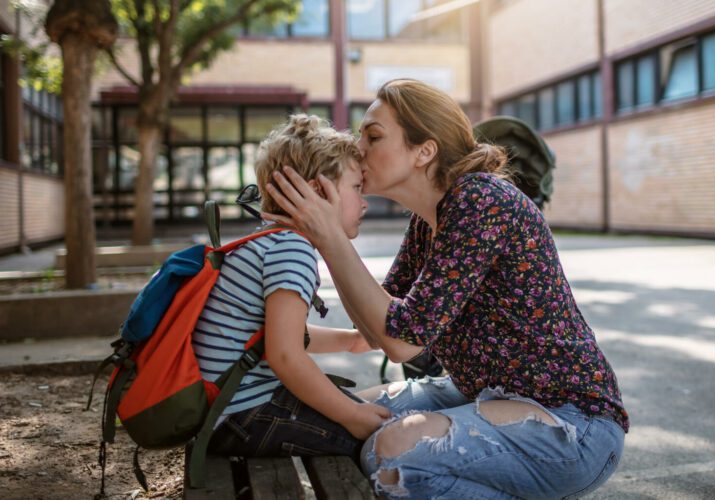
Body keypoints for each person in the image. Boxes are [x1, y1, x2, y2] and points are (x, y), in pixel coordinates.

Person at [263, 80, 629, 499]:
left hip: (572, 423)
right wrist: (319, 236)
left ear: (424, 151)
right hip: (488, 392)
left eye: (374, 135)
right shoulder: (427, 219)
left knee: (390, 453)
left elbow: (402, 342)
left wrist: (330, 238)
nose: (357, 148)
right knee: (339, 419)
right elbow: (377, 326)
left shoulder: (480, 200)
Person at [193, 114, 391, 459]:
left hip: (225, 412)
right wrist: (353, 415)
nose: (364, 202)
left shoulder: (268, 239)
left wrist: (349, 341)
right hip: (243, 415)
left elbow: (277, 336)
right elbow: (285, 355)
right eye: (357, 188)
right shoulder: (293, 248)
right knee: (380, 443)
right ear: (317, 192)